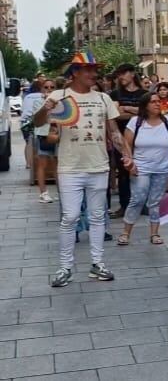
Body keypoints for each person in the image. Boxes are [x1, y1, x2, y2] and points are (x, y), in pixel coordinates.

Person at [34, 52, 128, 287]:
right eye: (87, 69)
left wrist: (127, 155)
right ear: (75, 72)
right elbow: (38, 124)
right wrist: (45, 109)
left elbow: (114, 131)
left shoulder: (103, 98)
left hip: (99, 166)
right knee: (71, 217)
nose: (93, 74)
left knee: (98, 217)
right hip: (69, 168)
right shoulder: (59, 96)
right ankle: (65, 267)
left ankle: (97, 264)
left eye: (94, 69)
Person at [116, 92, 168, 246]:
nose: (157, 104)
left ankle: (155, 233)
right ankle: (125, 232)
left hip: (163, 168)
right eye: (153, 101)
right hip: (141, 167)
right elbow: (126, 144)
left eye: (158, 101)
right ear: (145, 105)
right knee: (138, 198)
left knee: (156, 201)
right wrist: (129, 162)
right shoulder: (136, 122)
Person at [109, 64, 145, 220]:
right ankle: (124, 205)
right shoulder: (115, 94)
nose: (120, 77)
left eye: (123, 73)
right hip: (121, 138)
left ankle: (142, 204)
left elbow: (147, 113)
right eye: (118, 74)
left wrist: (127, 108)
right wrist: (136, 111)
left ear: (132, 74)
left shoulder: (144, 94)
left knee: (142, 171)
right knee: (123, 172)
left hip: (143, 138)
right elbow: (115, 115)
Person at [32, 79, 59, 203]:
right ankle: (43, 193)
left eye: (52, 87)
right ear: (42, 89)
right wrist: (46, 105)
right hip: (43, 134)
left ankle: (61, 191)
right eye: (46, 87)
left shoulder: (60, 102)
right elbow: (39, 120)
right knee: (43, 163)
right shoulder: (38, 102)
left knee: (58, 164)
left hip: (58, 135)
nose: (49, 89)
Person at [21, 79, 44, 171]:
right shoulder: (43, 96)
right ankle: (40, 163)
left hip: (25, 121)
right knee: (40, 143)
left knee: (28, 143)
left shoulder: (27, 97)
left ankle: (28, 163)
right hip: (37, 121)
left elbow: (24, 109)